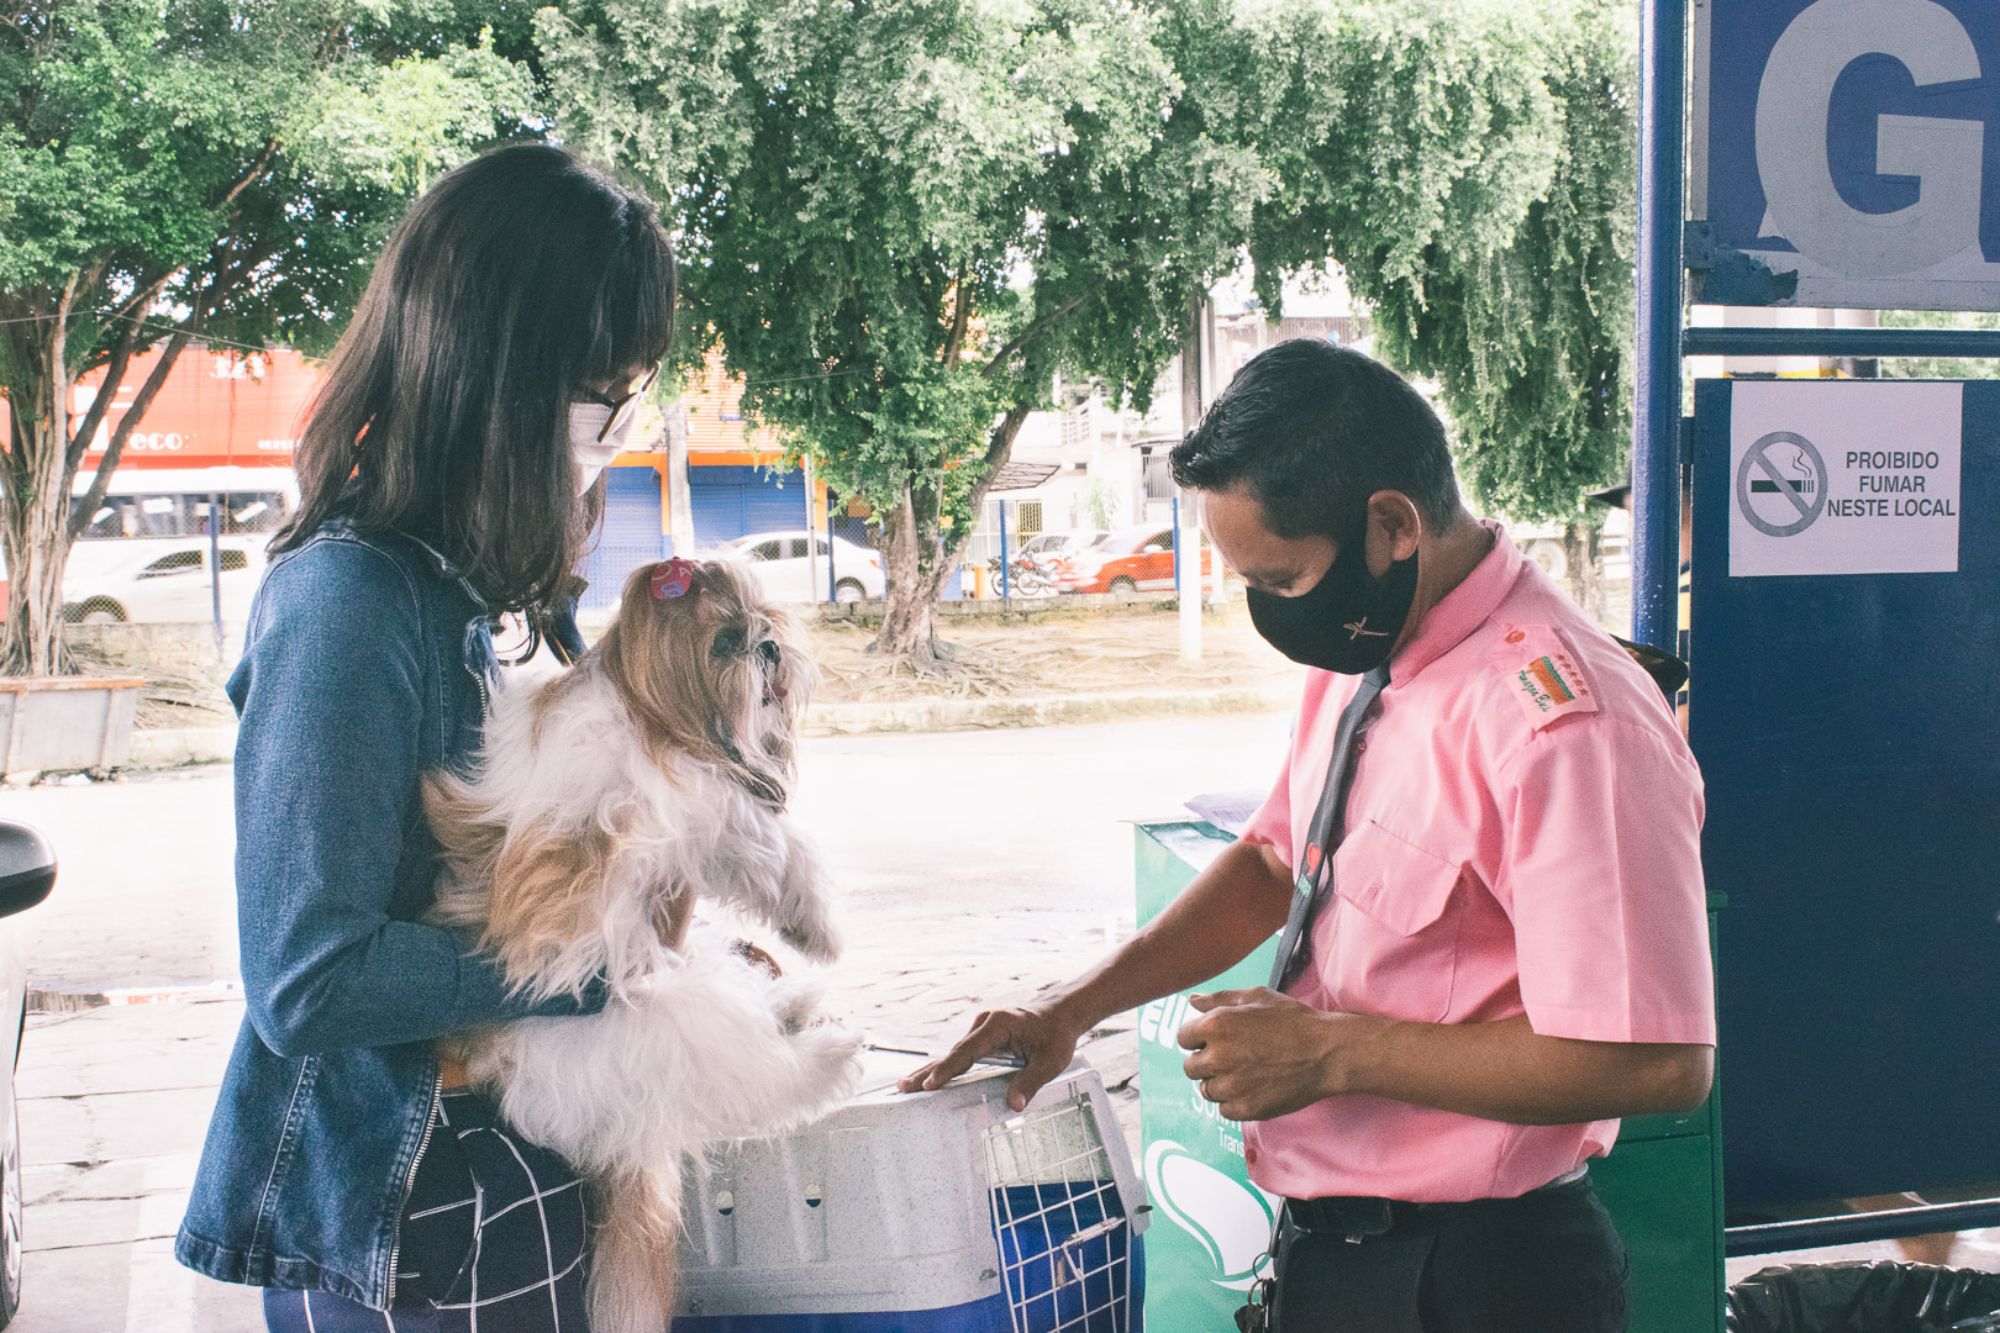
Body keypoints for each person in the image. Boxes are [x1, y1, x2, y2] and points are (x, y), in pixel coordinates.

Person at [905, 340, 1716, 1332]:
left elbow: (1654, 1061)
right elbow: (1270, 861)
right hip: (1336, 1254)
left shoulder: (1563, 722)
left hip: (1480, 1277)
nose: (1270, 614)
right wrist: (1071, 1008)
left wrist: (1331, 1054)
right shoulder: (1367, 647)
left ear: (1390, 523)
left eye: (1282, 580)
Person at [174, 143, 676, 1331]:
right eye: (601, 389)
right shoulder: (348, 602)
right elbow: (310, 973)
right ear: (504, 382)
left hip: (493, 1166)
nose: (607, 428)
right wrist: (602, 967)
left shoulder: (465, 595)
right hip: (411, 1214)